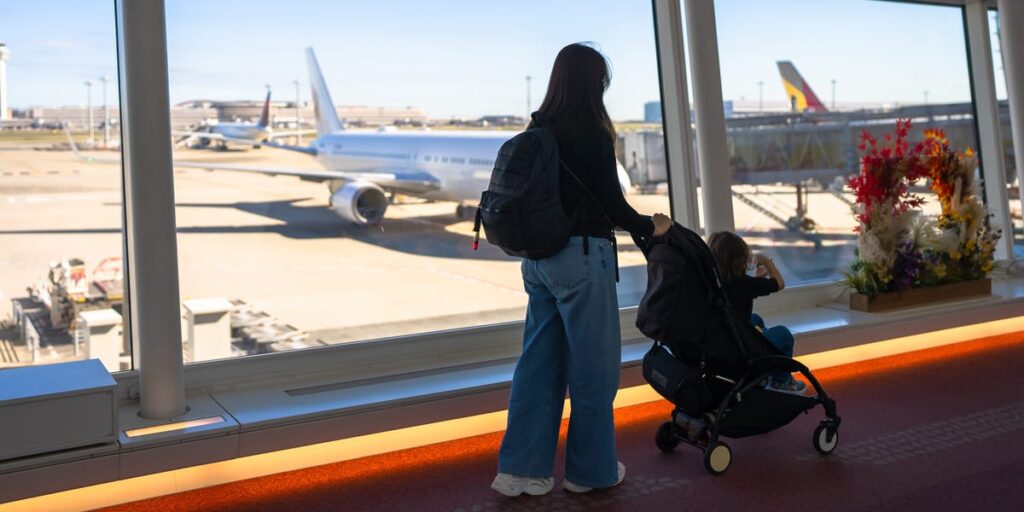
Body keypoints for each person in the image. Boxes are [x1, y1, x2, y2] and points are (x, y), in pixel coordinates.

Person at [490, 42, 673, 497]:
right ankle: (589, 472)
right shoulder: (592, 132)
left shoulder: (540, 129)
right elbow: (612, 205)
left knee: (537, 367)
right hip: (582, 260)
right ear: (596, 84)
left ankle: (520, 473)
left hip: (538, 264)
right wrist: (652, 226)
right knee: (593, 372)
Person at [707, 231, 806, 395]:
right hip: (739, 349)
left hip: (723, 340)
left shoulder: (713, 282)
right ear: (739, 259)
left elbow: (737, 295)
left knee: (756, 319)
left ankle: (764, 371)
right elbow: (779, 284)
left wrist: (757, 280)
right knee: (784, 334)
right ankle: (781, 380)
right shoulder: (745, 284)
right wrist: (766, 261)